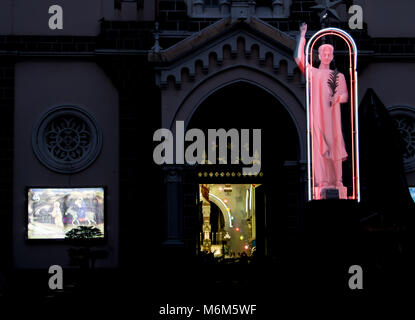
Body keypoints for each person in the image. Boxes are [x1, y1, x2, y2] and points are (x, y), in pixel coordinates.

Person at [294, 23, 348, 199]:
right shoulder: (315, 73)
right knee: (320, 147)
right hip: (319, 117)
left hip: (333, 117)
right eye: (323, 53)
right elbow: (299, 60)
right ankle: (323, 180)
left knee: (336, 146)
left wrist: (337, 98)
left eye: (329, 53)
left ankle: (338, 181)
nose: (326, 55)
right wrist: (302, 37)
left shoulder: (339, 76)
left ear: (332, 57)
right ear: (318, 56)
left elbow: (346, 95)